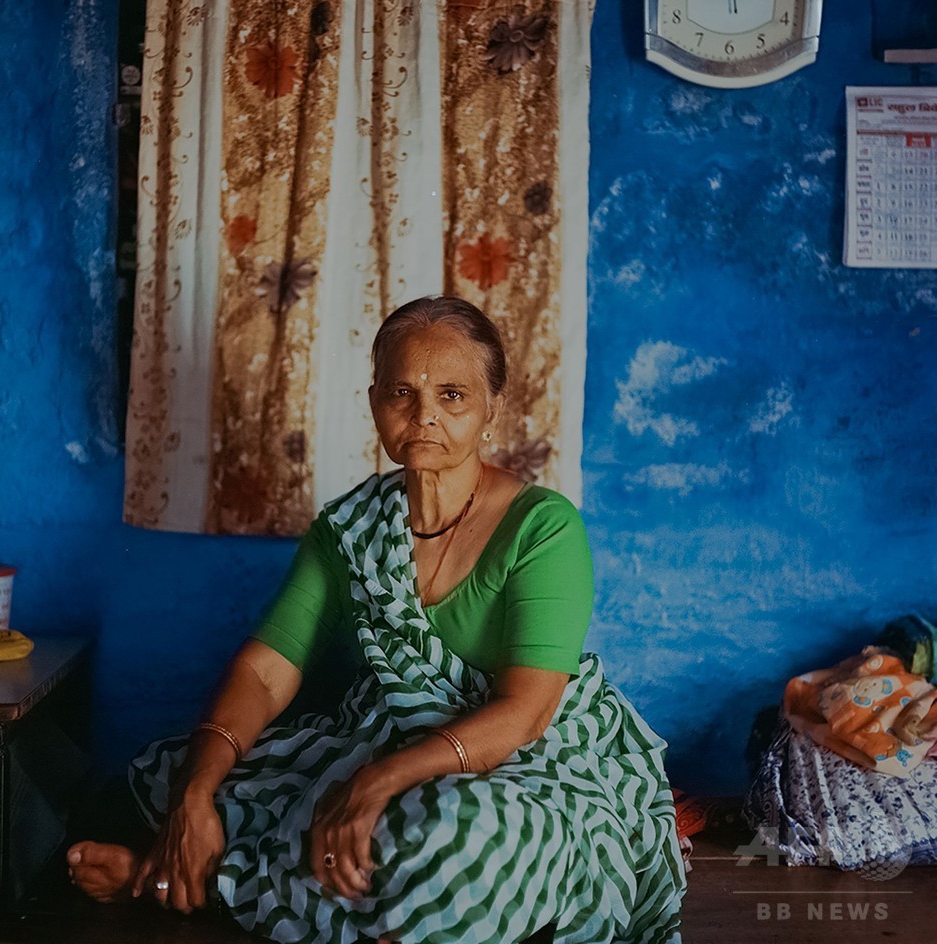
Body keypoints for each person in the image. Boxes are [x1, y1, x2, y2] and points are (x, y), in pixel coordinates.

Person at [67, 296, 686, 944]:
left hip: (529, 759)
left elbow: (526, 714)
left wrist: (377, 782)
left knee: (453, 843)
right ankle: (217, 865)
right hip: (384, 737)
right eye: (402, 392)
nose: (425, 416)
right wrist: (197, 792)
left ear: (491, 409)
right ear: (373, 403)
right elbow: (266, 670)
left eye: (452, 395)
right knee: (165, 784)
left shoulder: (543, 527)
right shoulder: (352, 528)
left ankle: (187, 883)